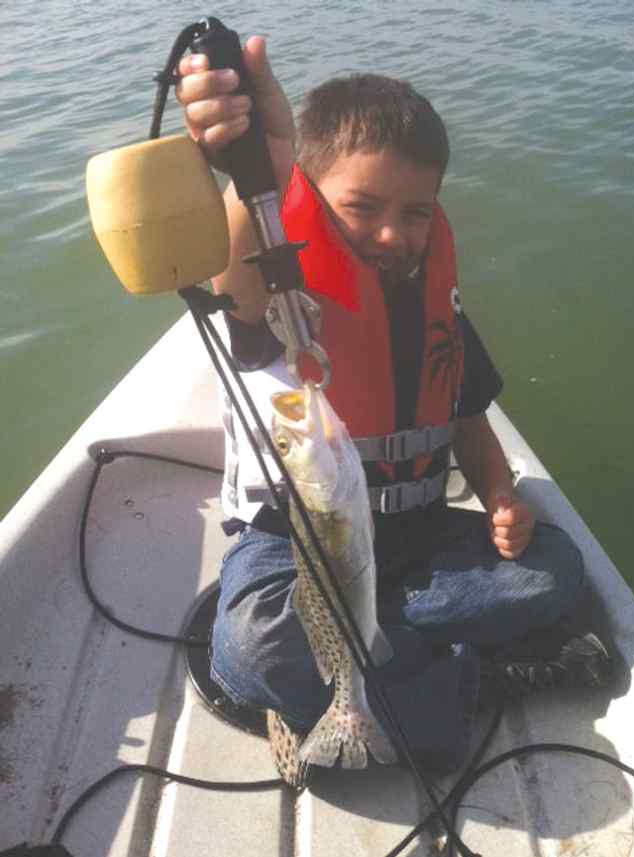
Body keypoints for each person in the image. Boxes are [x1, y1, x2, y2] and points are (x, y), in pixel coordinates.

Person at [176, 38, 611, 786]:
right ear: (311, 196)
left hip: (416, 541)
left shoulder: (431, 292)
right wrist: (264, 166)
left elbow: (466, 410)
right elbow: (238, 279)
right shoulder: (286, 293)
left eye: (416, 212)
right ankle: (464, 680)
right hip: (301, 551)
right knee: (245, 647)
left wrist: (502, 493)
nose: (392, 233)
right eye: (363, 207)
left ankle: (363, 675)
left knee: (556, 569)